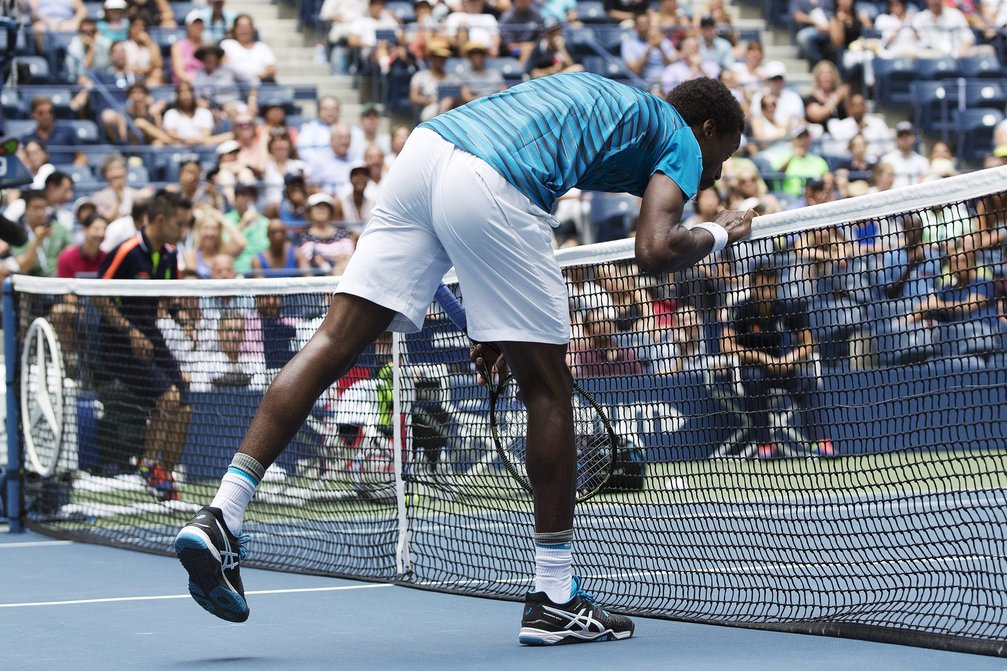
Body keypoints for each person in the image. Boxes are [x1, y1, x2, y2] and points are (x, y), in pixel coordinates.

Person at [174, 71, 752, 642]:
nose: (713, 174)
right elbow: (654, 251)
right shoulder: (678, 135)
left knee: (330, 344)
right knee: (548, 390)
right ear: (705, 128)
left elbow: (468, 200)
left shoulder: (618, 105)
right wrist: (720, 232)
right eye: (719, 159)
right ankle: (555, 598)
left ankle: (223, 513)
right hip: (494, 181)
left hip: (425, 153)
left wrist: (487, 321)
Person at [95, 191, 193, 500]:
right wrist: (129, 330)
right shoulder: (126, 251)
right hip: (118, 340)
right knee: (168, 398)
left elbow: (170, 295)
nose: (183, 231)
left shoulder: (170, 254)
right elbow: (98, 295)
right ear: (161, 220)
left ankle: (165, 474)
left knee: (185, 406)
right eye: (180, 224)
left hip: (150, 332)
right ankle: (149, 469)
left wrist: (182, 318)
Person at [728, 261, 833, 458]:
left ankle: (819, 442)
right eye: (762, 288)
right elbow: (726, 345)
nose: (767, 294)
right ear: (752, 287)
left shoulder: (789, 307)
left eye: (771, 288)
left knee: (808, 382)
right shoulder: (741, 309)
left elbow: (809, 343)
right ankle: (765, 444)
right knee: (754, 380)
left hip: (782, 368)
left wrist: (789, 359)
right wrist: (761, 357)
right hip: (754, 369)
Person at [880, 121, 930, 189]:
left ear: (914, 138)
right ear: (897, 138)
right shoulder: (887, 159)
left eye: (908, 135)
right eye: (901, 136)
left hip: (917, 195)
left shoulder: (922, 161)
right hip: (894, 195)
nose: (904, 138)